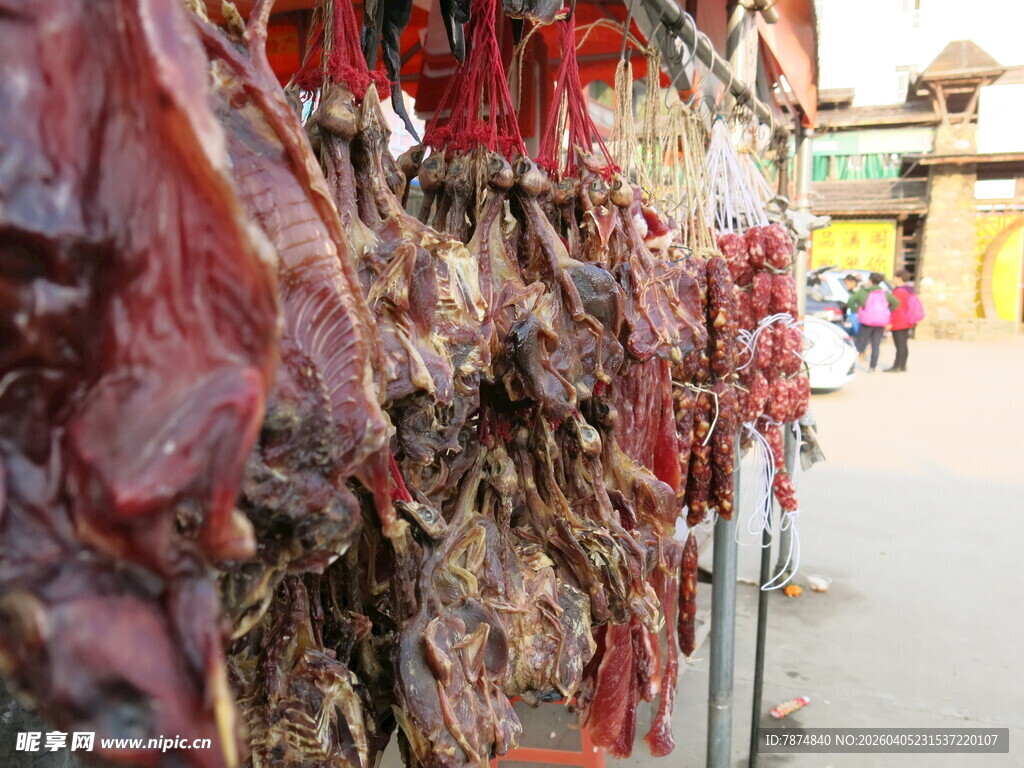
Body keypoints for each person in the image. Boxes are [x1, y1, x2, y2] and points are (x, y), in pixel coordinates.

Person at [846, 272, 898, 372]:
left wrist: (857, 311)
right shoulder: (884, 293)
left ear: (870, 281)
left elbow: (851, 301)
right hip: (880, 322)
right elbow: (896, 303)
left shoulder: (864, 292)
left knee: (860, 343)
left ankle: (852, 364)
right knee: (876, 344)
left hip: (867, 321)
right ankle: (872, 367)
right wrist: (887, 311)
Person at [885, 269, 924, 372]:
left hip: (899, 321)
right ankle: (902, 366)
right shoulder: (909, 290)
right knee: (903, 344)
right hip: (907, 320)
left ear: (899, 278)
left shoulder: (899, 292)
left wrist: (890, 322)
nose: (893, 279)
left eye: (895, 277)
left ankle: (897, 366)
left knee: (899, 345)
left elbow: (896, 309)